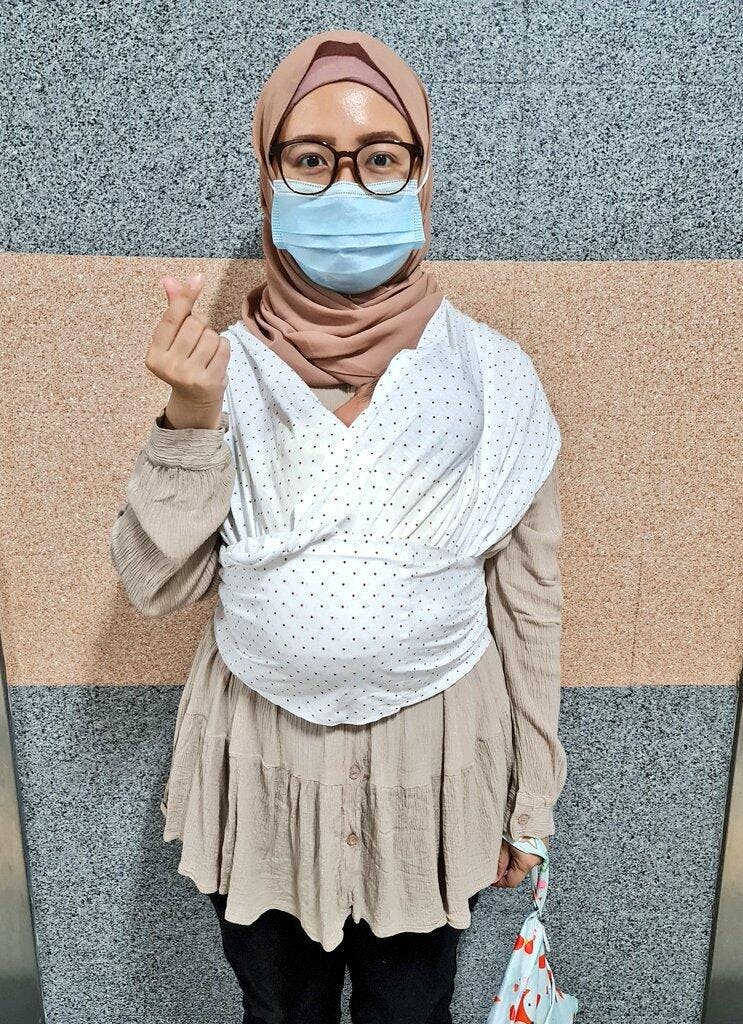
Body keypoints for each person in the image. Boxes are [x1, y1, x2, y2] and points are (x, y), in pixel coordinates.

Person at [110, 27, 568, 1024]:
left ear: (421, 175)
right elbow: (154, 582)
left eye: (380, 159)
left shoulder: (492, 376)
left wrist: (529, 798)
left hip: (432, 775)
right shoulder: (219, 368)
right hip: (262, 768)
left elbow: (529, 604)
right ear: (268, 178)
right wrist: (189, 417)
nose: (347, 187)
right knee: (279, 1011)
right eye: (311, 159)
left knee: (412, 1011)